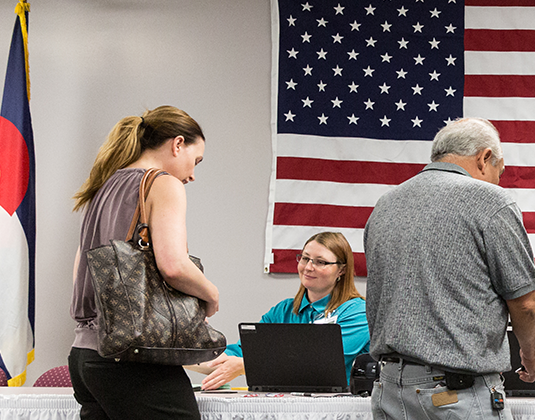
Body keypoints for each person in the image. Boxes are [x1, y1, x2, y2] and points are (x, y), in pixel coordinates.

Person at [364, 118, 535, 420]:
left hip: (388, 390)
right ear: (484, 158)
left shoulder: (384, 205)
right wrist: (531, 355)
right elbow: (526, 304)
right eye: (499, 172)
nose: (498, 181)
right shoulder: (490, 201)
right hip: (455, 395)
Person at [68, 106, 217, 419]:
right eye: (196, 160)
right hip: (132, 357)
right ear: (177, 144)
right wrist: (211, 294)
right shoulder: (162, 183)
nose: (192, 174)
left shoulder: (102, 186)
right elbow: (173, 265)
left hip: (84, 357)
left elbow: (80, 268)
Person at [186, 232, 369, 390]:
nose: (308, 267)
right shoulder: (284, 311)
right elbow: (239, 355)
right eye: (305, 258)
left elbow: (316, 364)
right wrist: (181, 353)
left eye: (320, 262)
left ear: (342, 271)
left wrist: (245, 366)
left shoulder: (357, 313)